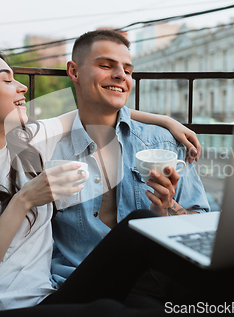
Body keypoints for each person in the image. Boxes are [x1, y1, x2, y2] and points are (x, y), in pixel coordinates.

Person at [0, 47, 202, 317]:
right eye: (6, 80)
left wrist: (165, 121)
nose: (21, 88)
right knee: (109, 310)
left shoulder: (26, 143)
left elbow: (93, 110)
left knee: (140, 226)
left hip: (46, 300)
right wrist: (24, 200)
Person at [48, 30, 209, 304]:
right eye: (106, 65)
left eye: (128, 69)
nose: (121, 75)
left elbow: (199, 227)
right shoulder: (45, 149)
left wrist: (167, 208)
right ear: (73, 71)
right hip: (79, 286)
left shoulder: (162, 143)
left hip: (153, 282)